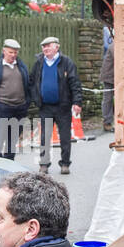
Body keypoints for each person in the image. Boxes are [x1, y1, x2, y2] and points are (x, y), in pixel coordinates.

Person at [28, 36, 82, 175]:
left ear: (57, 47)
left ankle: (65, 164)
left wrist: (77, 102)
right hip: (45, 107)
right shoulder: (39, 62)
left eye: (48, 46)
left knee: (64, 137)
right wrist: (36, 98)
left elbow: (75, 83)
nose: (45, 49)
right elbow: (32, 82)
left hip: (63, 106)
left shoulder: (66, 62)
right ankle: (44, 164)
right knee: (45, 137)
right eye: (43, 47)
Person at [0, 39, 30, 161]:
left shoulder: (21, 66)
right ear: (4, 51)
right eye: (11, 52)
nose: (13, 55)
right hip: (3, 108)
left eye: (15, 52)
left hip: (20, 109)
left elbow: (28, 85)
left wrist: (27, 103)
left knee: (13, 140)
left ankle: (10, 163)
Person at [100, 23, 114, 133]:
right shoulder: (114, 46)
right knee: (108, 100)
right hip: (109, 76)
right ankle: (107, 122)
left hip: (114, 76)